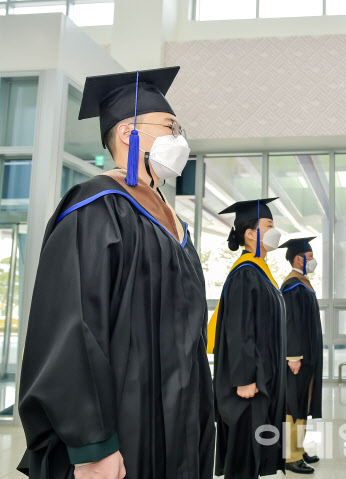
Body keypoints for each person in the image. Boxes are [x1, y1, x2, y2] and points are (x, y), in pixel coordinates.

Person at [17, 67, 215, 479]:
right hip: (125, 423)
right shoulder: (95, 207)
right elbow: (71, 328)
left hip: (179, 419)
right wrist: (94, 445)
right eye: (170, 126)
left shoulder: (170, 220)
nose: (180, 138)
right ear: (128, 133)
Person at [208, 198, 287, 479]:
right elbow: (240, 329)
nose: (275, 231)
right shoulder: (245, 274)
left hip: (261, 382)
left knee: (252, 455)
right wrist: (244, 379)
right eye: (269, 225)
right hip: (247, 386)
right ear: (251, 233)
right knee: (242, 459)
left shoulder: (259, 272)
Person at [279, 237, 324, 475]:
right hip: (297, 359)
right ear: (299, 258)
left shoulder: (302, 282)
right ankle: (290, 455)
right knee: (293, 405)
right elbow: (291, 323)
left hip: (307, 358)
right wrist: (293, 356)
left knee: (302, 403)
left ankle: (299, 448)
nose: (313, 260)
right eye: (310, 256)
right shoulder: (292, 285)